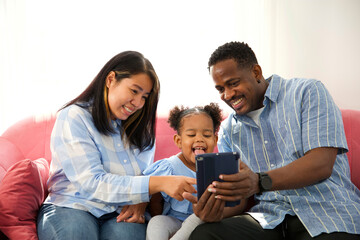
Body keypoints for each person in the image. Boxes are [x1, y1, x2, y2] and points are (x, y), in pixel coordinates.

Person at [183, 41, 360, 240]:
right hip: (268, 220)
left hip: (326, 214)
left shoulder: (307, 92)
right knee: (205, 235)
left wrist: (259, 181)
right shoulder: (227, 130)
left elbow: (321, 164)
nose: (227, 95)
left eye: (233, 83)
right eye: (220, 89)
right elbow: (240, 200)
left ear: (256, 72)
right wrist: (213, 212)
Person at [36, 51, 196, 240]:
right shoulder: (75, 117)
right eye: (134, 91)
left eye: (144, 97)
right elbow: (91, 183)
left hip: (122, 210)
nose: (138, 103)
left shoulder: (140, 128)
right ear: (111, 79)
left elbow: (142, 175)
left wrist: (142, 199)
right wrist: (156, 184)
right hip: (73, 205)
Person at [144, 103, 247, 240]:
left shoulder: (220, 167)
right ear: (179, 141)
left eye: (206, 135)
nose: (199, 139)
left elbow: (239, 202)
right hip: (174, 220)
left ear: (215, 140)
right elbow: (154, 197)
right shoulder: (169, 167)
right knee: (157, 221)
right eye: (191, 134)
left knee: (195, 218)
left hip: (203, 222)